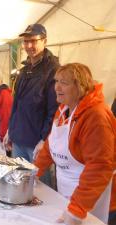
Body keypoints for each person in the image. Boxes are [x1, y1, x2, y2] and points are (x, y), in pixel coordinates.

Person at [34, 63, 116, 225]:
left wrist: (77, 210)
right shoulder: (64, 109)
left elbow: (99, 167)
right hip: (68, 192)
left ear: (80, 86)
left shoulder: (95, 116)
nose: (56, 87)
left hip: (93, 199)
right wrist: (35, 171)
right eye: (56, 81)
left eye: (64, 83)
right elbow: (51, 146)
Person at [4, 24, 59, 186]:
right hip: (19, 138)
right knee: (20, 185)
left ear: (44, 41)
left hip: (37, 143)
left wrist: (44, 139)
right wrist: (10, 129)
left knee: (41, 189)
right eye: (26, 41)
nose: (29, 46)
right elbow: (17, 103)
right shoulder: (25, 69)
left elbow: (53, 110)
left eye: (33, 41)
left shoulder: (53, 69)